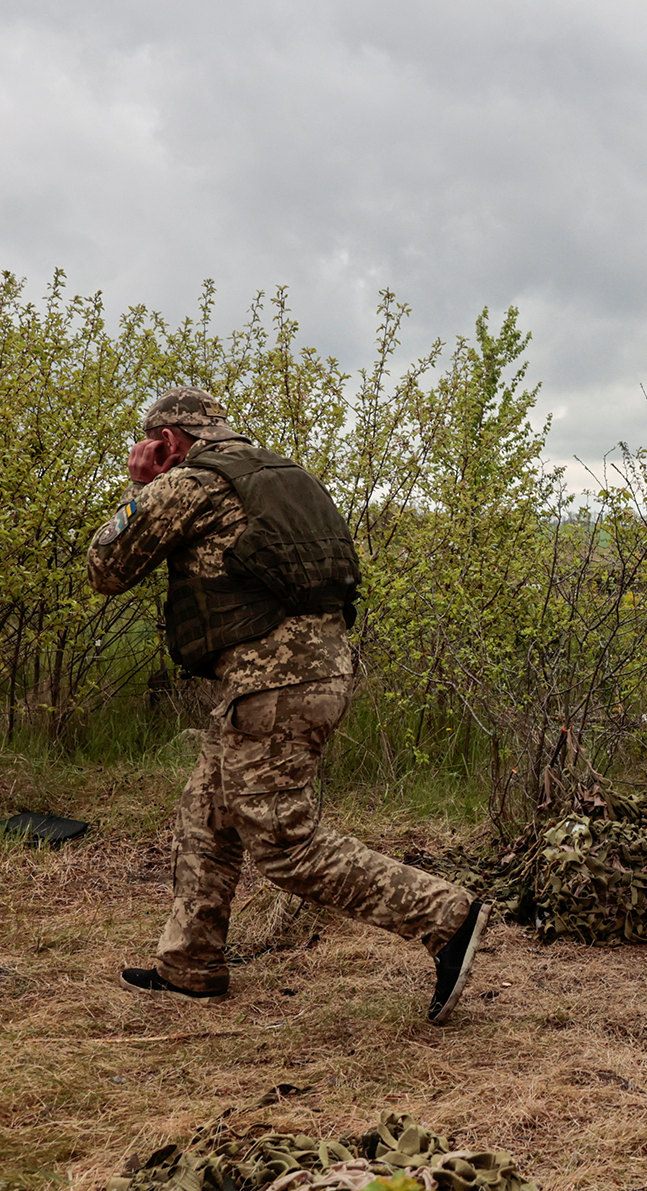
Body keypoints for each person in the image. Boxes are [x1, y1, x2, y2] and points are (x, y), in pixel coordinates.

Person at [88, 388, 487, 1021]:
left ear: (167, 441)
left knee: (284, 844)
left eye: (152, 446)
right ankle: (190, 963)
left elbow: (107, 567)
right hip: (314, 672)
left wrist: (139, 486)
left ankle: (444, 914)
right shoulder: (281, 475)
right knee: (209, 809)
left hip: (269, 687)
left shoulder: (188, 484)